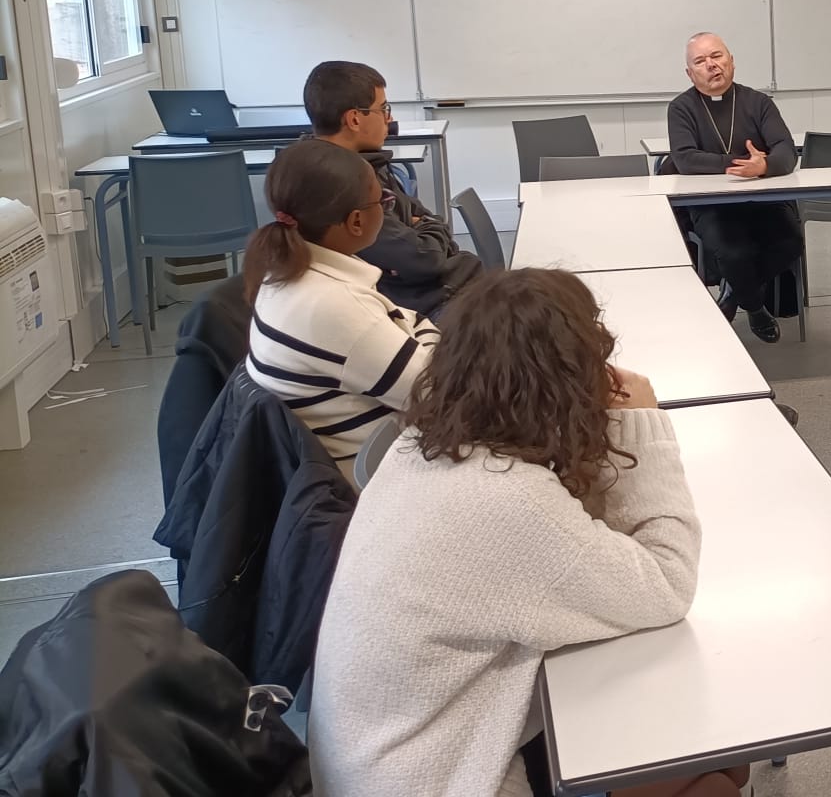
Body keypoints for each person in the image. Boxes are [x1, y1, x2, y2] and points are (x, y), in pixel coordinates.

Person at [308, 268, 734, 797]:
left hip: (384, 757)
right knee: (713, 778)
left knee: (711, 757)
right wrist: (643, 424)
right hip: (438, 777)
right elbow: (668, 584)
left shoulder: (421, 445)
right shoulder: (506, 500)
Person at [244, 140, 437, 482]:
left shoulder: (283, 273)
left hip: (355, 452)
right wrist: (430, 342)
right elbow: (440, 393)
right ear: (356, 221)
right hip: (381, 476)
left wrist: (420, 336)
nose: (387, 207)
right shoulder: (335, 307)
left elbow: (411, 319)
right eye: (384, 201)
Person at [304, 60, 483, 317]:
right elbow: (423, 258)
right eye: (383, 109)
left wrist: (424, 226)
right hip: (407, 304)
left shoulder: (370, 163)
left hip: (425, 286)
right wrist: (424, 228)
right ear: (354, 119)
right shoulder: (340, 185)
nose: (390, 119)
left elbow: (424, 217)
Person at [666, 31, 802, 344]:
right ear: (690, 73)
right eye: (700, 61)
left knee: (790, 243)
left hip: (763, 201)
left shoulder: (758, 103)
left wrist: (764, 167)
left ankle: (733, 294)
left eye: (717, 56)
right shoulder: (681, 108)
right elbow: (685, 159)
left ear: (731, 61)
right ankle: (754, 307)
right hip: (713, 205)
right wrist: (742, 164)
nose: (711, 65)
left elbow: (786, 150)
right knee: (733, 252)